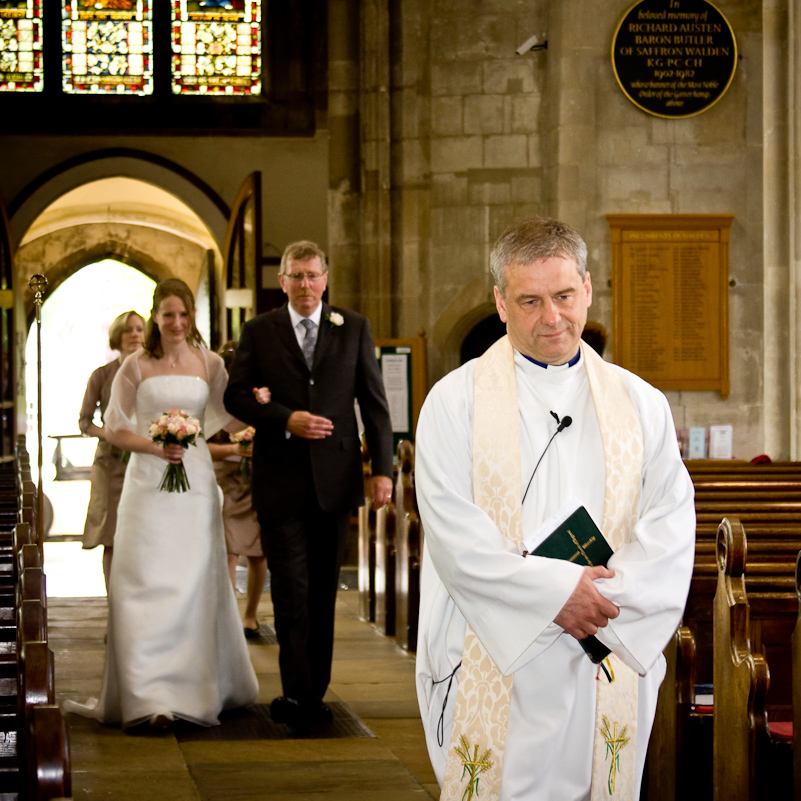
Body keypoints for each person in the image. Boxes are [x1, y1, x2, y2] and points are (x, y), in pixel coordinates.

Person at [414, 216, 695, 800]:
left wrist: (600, 603)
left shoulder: (640, 402)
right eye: (530, 300)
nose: (552, 317)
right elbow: (452, 535)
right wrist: (554, 596)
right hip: (496, 650)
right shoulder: (454, 402)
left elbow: (670, 524)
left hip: (605, 647)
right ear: (499, 302)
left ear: (588, 288)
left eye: (564, 296)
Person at [65, 279, 258, 729]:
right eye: (167, 314)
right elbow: (114, 427)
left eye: (183, 315)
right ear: (155, 316)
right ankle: (148, 696)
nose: (176, 323)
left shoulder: (209, 363)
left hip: (194, 487)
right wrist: (154, 448)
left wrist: (260, 414)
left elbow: (226, 415)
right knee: (144, 581)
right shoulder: (135, 365)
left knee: (193, 580)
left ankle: (195, 686)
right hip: (147, 484)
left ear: (192, 318)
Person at [224, 240, 394, 729]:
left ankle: (313, 691)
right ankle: (298, 696)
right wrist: (283, 418)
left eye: (313, 275)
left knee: (322, 592)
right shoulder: (259, 331)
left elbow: (375, 404)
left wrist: (381, 470)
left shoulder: (354, 327)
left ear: (325, 279)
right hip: (280, 480)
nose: (305, 285)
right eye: (295, 276)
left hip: (335, 480)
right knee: (292, 591)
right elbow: (235, 394)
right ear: (283, 281)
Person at [79, 310, 144, 592]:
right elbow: (84, 421)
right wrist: (108, 433)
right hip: (111, 463)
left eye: (140, 329)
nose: (134, 335)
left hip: (143, 459)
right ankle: (114, 608)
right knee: (112, 536)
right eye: (128, 330)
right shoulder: (102, 375)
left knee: (142, 536)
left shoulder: (151, 372)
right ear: (118, 337)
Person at [209, 340, 268, 638]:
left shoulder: (258, 397)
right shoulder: (211, 400)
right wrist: (235, 447)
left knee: (259, 552)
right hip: (224, 479)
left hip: (256, 478)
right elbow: (199, 446)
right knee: (229, 549)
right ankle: (230, 613)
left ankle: (251, 614)